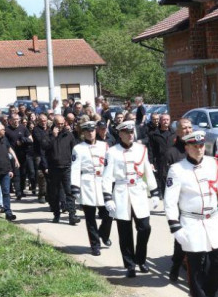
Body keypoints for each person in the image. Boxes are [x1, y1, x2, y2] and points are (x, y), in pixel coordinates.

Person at [164, 131, 218, 297]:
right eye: (194, 146)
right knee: (195, 265)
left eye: (201, 145)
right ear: (186, 147)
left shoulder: (212, 163)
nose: (199, 149)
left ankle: (210, 293)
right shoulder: (177, 169)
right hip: (191, 221)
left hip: (212, 219)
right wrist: (175, 226)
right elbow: (170, 201)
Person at [102, 120, 160, 278]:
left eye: (132, 132)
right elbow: (107, 177)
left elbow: (148, 170)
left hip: (139, 192)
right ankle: (130, 265)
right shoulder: (112, 152)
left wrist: (154, 192)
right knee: (125, 232)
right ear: (120, 134)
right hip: (121, 193)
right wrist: (108, 197)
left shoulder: (141, 149)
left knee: (145, 228)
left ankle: (141, 259)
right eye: (126, 132)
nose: (130, 135)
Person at [70, 120, 114, 256]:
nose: (90, 133)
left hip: (103, 183)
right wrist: (75, 187)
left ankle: (104, 234)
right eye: (87, 131)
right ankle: (95, 245)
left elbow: (110, 165)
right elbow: (75, 168)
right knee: (90, 218)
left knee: (109, 214)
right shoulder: (78, 148)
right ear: (83, 133)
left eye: (92, 130)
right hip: (87, 184)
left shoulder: (105, 146)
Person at [163, 117, 192, 282]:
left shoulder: (198, 149)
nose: (187, 131)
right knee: (182, 235)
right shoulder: (172, 153)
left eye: (190, 128)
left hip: (196, 198)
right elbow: (165, 180)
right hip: (180, 200)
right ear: (178, 131)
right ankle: (176, 265)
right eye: (184, 128)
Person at [43, 115, 79, 225]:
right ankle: (56, 214)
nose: (60, 126)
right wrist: (53, 136)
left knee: (69, 191)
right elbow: (45, 148)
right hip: (54, 168)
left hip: (67, 167)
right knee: (55, 193)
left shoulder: (69, 135)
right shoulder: (49, 135)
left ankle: (72, 215)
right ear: (54, 123)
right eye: (58, 124)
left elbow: (75, 150)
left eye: (62, 123)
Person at [5, 114, 32, 200]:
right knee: (16, 173)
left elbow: (31, 139)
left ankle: (21, 190)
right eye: (14, 119)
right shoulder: (7, 130)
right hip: (12, 155)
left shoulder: (23, 128)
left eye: (17, 119)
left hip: (23, 154)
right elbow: (5, 142)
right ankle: (18, 192)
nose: (16, 121)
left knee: (23, 173)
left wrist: (23, 140)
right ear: (10, 120)